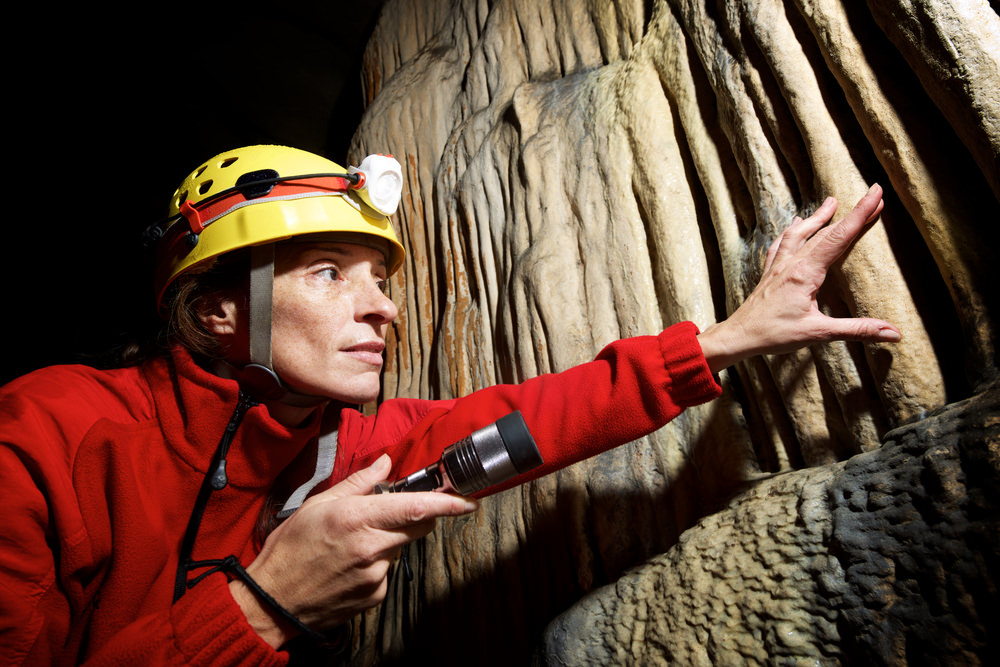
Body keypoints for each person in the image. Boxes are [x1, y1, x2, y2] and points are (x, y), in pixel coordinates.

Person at [0, 144, 900, 665]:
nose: (384, 306)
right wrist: (261, 604)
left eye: (380, 277)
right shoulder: (44, 435)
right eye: (328, 273)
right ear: (219, 309)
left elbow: (533, 421)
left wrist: (725, 341)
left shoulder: (337, 445)